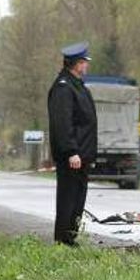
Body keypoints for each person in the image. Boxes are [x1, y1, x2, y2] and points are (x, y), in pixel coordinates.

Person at [47, 42, 97, 246]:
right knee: (68, 198)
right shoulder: (63, 88)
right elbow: (62, 123)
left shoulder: (78, 86)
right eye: (84, 62)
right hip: (72, 156)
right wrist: (71, 151)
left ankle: (71, 236)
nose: (86, 65)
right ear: (76, 64)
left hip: (82, 154)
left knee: (78, 198)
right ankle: (63, 239)